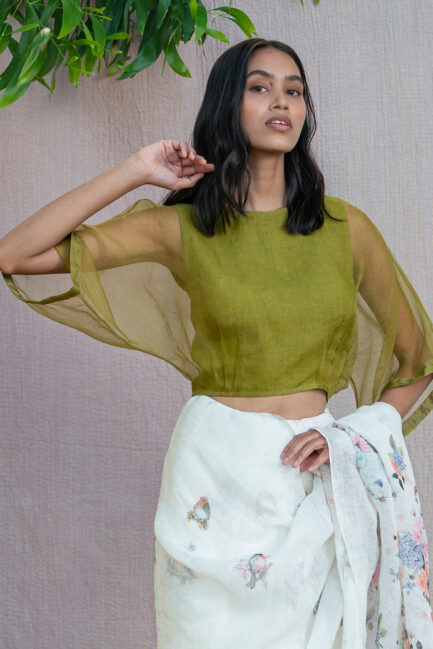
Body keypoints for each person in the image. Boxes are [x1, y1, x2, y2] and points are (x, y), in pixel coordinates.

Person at [1, 37, 433, 648]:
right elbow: (15, 255)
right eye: (260, 87)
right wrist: (135, 170)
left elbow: (420, 360)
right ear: (229, 105)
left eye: (294, 90)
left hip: (310, 483)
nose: (280, 101)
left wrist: (351, 436)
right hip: (212, 484)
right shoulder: (183, 229)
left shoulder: (346, 229)